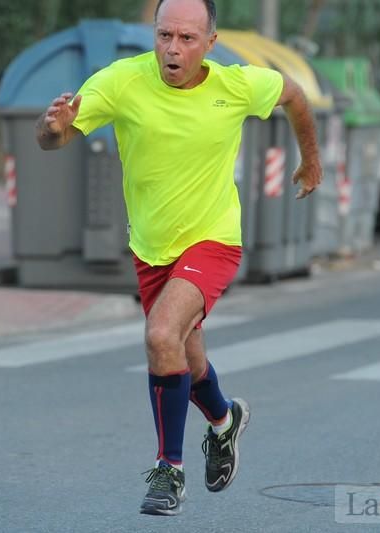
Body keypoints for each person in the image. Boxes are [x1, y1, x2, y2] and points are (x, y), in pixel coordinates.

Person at [36, 0, 322, 516]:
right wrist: (52, 127)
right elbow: (53, 139)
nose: (173, 48)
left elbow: (295, 95)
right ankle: (224, 419)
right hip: (151, 247)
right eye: (165, 35)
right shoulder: (122, 81)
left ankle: (169, 471)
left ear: (210, 43)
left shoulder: (236, 85)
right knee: (183, 360)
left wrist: (311, 161)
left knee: (160, 336)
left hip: (213, 240)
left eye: (187, 39)